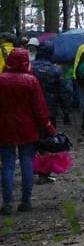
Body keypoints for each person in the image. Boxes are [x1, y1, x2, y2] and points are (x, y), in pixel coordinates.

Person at [0, 48, 57, 214]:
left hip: (4, 127)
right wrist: (48, 128)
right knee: (26, 162)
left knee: (8, 165)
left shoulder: (1, 80)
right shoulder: (31, 81)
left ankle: (7, 203)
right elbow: (39, 108)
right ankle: (26, 201)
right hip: (27, 127)